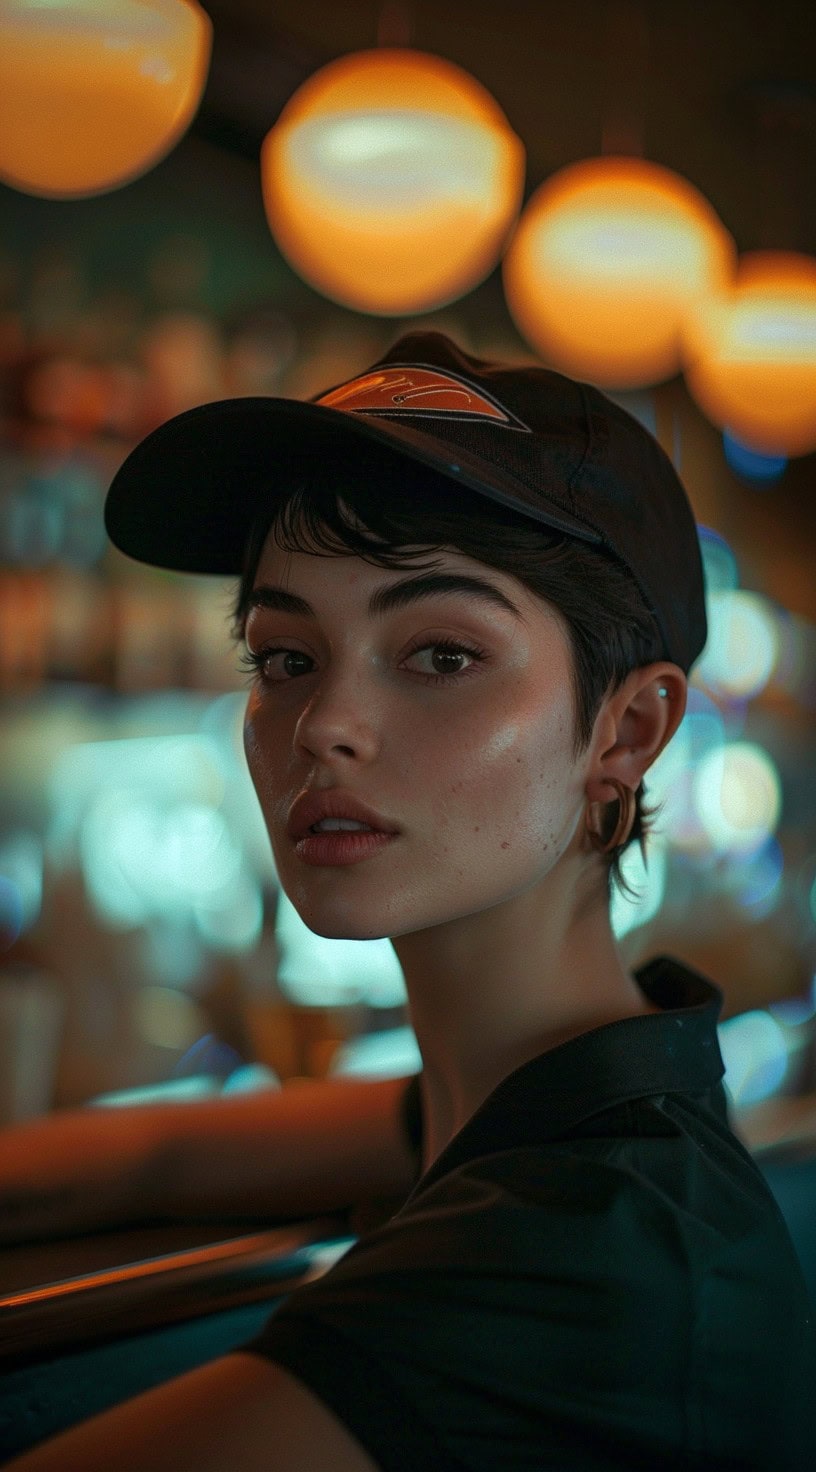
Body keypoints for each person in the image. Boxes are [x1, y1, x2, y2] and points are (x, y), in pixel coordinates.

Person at [3, 333, 813, 1470]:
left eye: (439, 653)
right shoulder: (523, 1100)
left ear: (626, 731)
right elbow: (153, 1156)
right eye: (286, 655)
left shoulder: (586, 1249)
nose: (325, 722)